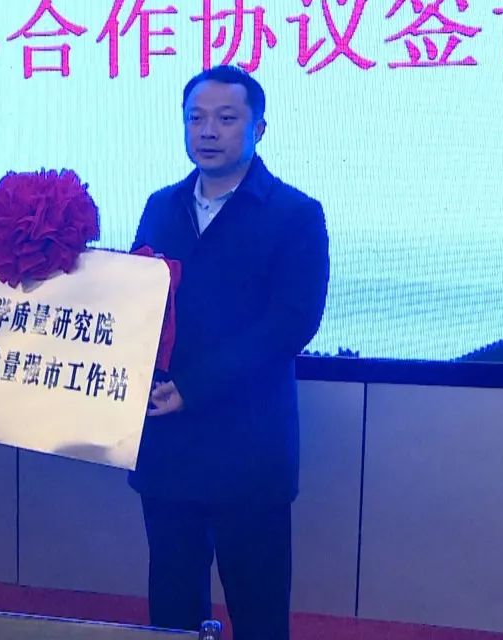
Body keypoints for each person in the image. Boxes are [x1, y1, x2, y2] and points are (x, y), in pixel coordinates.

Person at [129, 65, 330, 640]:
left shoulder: (295, 214)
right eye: (196, 118)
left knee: (258, 609)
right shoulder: (161, 206)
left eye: (225, 118)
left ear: (258, 128)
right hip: (168, 444)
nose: (207, 131)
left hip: (249, 448)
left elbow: (291, 324)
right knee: (172, 607)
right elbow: (138, 302)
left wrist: (194, 388)